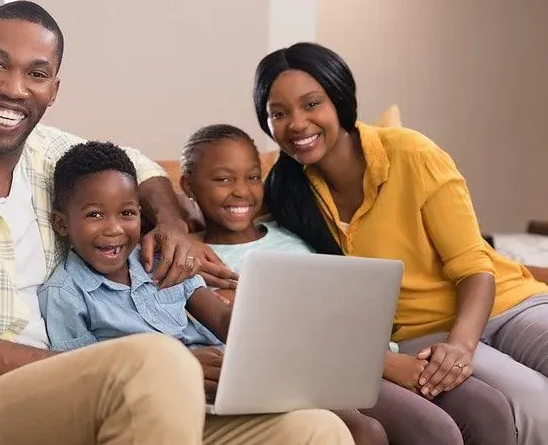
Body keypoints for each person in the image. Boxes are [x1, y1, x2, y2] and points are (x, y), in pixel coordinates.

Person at [0, 0, 351, 445]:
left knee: (315, 429)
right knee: (158, 363)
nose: (15, 88)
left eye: (36, 73)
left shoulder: (48, 153)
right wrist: (129, 369)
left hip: (95, 395)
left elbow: (142, 169)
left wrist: (170, 224)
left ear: (54, 88)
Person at [253, 42, 545, 445]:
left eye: (311, 104)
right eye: (279, 114)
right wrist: (178, 230)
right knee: (535, 407)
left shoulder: (410, 152)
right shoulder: (284, 192)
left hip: (506, 302)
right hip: (421, 331)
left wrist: (462, 346)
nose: (298, 124)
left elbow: (474, 267)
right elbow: (227, 219)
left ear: (339, 99)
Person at [179, 123, 517, 445]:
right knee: (434, 431)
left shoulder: (291, 234)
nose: (242, 190)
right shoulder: (190, 257)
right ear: (188, 186)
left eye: (253, 177)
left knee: (491, 409)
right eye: (223, 179)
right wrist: (386, 363)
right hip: (322, 368)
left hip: (375, 350)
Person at [38, 139, 353, 444]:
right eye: (95, 214)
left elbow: (220, 318)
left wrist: (266, 314)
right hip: (162, 407)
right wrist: (182, 369)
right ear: (62, 224)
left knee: (342, 425)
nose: (114, 229)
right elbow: (85, 382)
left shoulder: (161, 258)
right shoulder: (66, 294)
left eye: (127, 213)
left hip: (230, 384)